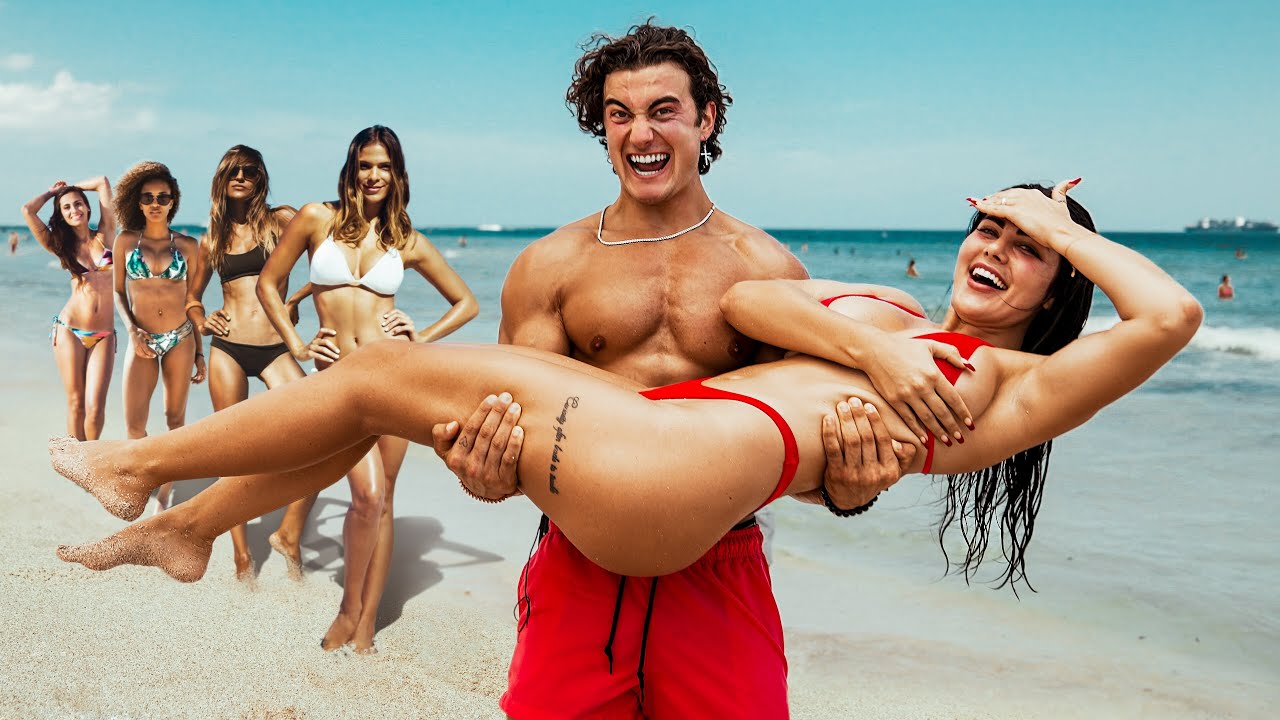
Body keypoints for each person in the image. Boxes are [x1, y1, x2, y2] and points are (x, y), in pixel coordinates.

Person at [52, 183, 1202, 716]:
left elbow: (1166, 319)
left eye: (1027, 248)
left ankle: (150, 474)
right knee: (369, 386)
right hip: (636, 454)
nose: (996, 245)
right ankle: (186, 522)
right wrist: (887, 361)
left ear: (1055, 291)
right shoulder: (891, 323)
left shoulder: (1009, 381)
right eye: (988, 226)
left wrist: (1059, 223)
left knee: (372, 378)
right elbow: (755, 302)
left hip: (683, 488)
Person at [425, 22, 968, 719]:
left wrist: (848, 487)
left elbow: (798, 459)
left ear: (705, 119)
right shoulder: (550, 266)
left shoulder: (768, 271)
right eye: (618, 115)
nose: (639, 134)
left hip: (724, 563)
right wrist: (484, 472)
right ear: (602, 128)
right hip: (581, 560)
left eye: (663, 111)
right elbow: (518, 435)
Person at [253, 125, 479, 653]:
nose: (374, 175)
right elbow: (269, 283)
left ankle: (367, 626)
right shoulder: (317, 218)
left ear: (398, 174)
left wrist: (420, 336)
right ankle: (348, 609)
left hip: (395, 375)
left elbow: (466, 302)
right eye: (365, 165)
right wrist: (300, 344)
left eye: (384, 166)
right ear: (351, 167)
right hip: (339, 378)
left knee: (384, 501)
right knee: (367, 495)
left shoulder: (407, 240)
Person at [185, 145, 313, 581]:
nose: (241, 177)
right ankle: (242, 556)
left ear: (261, 178)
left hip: (277, 346)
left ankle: (289, 534)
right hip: (229, 348)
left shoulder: (283, 220)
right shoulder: (212, 239)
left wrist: (296, 299)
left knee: (316, 435)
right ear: (222, 179)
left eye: (251, 172)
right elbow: (192, 299)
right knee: (234, 454)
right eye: (233, 171)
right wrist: (203, 322)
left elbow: (327, 257)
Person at [112, 161, 204, 514]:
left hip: (181, 337)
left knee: (174, 419)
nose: (155, 203)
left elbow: (193, 302)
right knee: (134, 426)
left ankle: (165, 495)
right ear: (138, 201)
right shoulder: (124, 242)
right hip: (142, 338)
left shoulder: (189, 245)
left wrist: (200, 353)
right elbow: (119, 293)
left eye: (162, 197)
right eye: (148, 197)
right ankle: (153, 471)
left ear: (172, 201)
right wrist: (132, 330)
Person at [21, 177, 118, 440]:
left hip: (104, 335)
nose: (74, 210)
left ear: (88, 208)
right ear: (61, 215)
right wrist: (54, 191)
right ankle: (75, 467)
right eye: (66, 207)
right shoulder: (60, 245)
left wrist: (71, 186)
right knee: (76, 404)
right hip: (69, 331)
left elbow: (102, 182)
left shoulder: (107, 234)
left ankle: (91, 463)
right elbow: (28, 210)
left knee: (96, 409)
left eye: (78, 204)